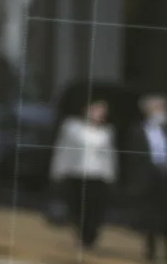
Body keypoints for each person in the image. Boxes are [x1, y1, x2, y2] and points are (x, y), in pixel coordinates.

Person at [126, 95, 167, 263]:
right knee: (150, 217)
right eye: (156, 108)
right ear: (147, 111)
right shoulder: (138, 130)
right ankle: (151, 250)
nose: (161, 111)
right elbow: (134, 159)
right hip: (149, 180)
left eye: (162, 107)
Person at [50, 99, 117, 251]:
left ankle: (90, 238)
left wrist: (111, 175)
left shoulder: (107, 131)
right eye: (96, 110)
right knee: (77, 207)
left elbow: (110, 155)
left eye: (102, 112)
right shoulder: (72, 127)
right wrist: (57, 169)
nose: (98, 114)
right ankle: (81, 234)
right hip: (76, 173)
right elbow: (62, 149)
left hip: (98, 175)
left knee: (94, 209)